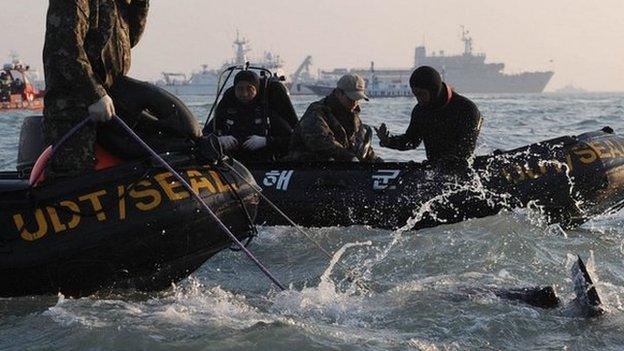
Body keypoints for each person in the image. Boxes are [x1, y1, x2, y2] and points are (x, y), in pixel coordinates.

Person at [42, 0, 202, 181]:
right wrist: (95, 94)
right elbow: (63, 47)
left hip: (113, 106)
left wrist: (140, 4)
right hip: (74, 110)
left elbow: (127, 41)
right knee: (72, 177)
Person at [375, 66, 482, 170]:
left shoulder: (467, 109)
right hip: (433, 170)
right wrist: (388, 141)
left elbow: (466, 149)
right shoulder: (420, 111)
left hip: (460, 171)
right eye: (415, 94)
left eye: (421, 94)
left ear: (433, 90)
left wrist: (441, 165)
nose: (418, 99)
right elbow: (411, 141)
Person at [204, 70, 297, 164]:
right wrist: (219, 140)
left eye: (249, 89)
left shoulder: (267, 112)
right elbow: (205, 134)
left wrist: (266, 141)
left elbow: (291, 139)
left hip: (263, 162)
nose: (244, 94)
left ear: (256, 89)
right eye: (240, 89)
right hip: (232, 162)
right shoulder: (227, 108)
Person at [285, 73, 380, 162]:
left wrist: (379, 164)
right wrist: (349, 157)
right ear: (338, 93)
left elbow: (362, 146)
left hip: (339, 167)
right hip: (305, 166)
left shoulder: (354, 118)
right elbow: (321, 141)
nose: (354, 103)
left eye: (357, 99)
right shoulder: (317, 112)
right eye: (351, 99)